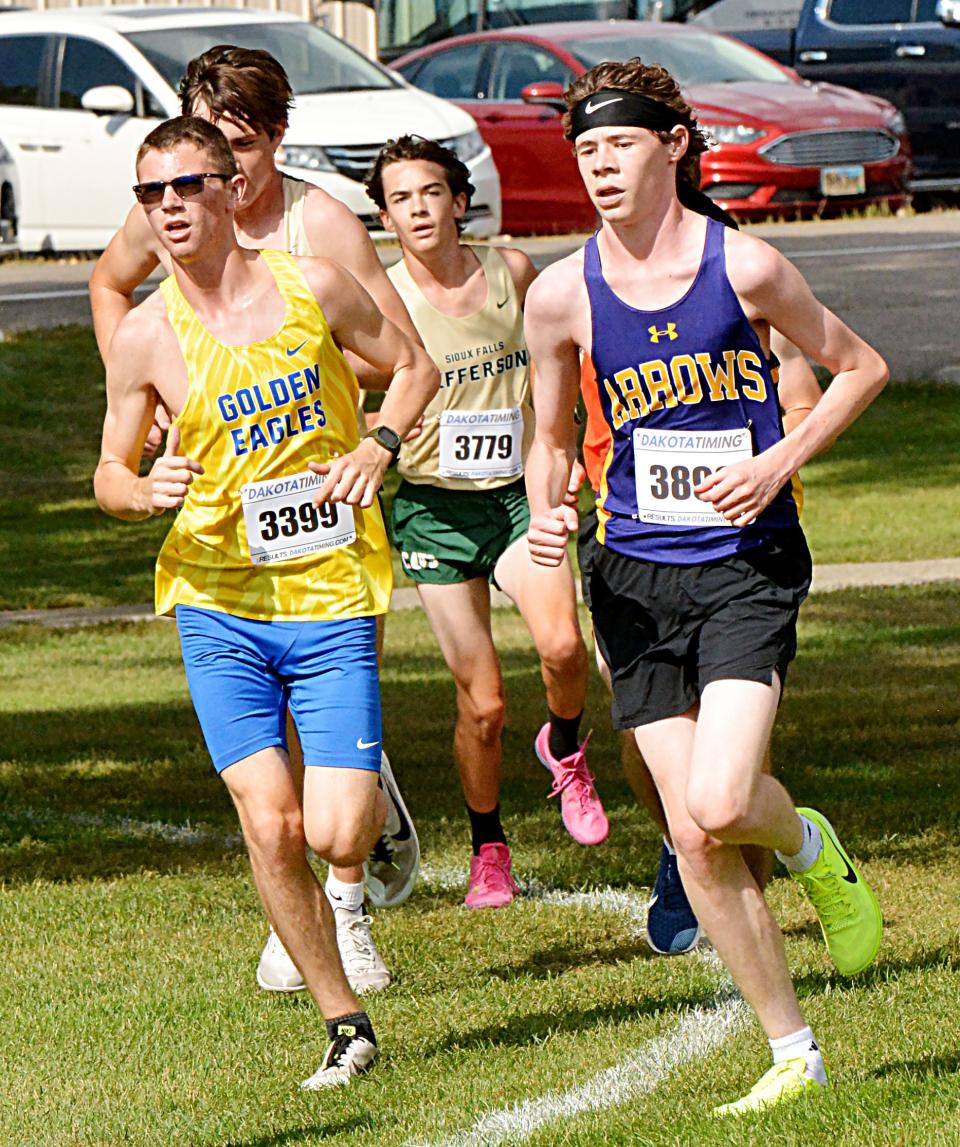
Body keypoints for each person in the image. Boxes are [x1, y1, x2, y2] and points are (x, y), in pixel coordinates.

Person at [523, 59, 886, 1114]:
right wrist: (550, 507)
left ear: (673, 146)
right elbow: (550, 444)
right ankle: (793, 1052)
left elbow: (861, 367)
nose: (599, 167)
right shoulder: (560, 295)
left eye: (619, 145)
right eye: (584, 151)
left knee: (723, 802)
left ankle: (811, 844)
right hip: (633, 577)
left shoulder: (749, 267)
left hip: (745, 567)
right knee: (689, 832)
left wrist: (780, 460)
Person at [93, 116, 439, 1086]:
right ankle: (344, 1021)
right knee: (269, 823)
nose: (167, 207)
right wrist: (143, 492)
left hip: (328, 595)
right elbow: (109, 474)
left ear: (228, 191)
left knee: (332, 830)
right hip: (217, 604)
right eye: (149, 193)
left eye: (187, 186)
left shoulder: (312, 286)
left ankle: (370, 806)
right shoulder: (147, 336)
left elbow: (414, 368)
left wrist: (378, 444)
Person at [365, 135, 608, 909]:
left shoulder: (513, 272)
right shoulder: (382, 296)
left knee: (566, 648)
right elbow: (349, 385)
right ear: (385, 217)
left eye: (430, 192)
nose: (417, 209)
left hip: (516, 496)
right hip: (434, 511)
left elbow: (557, 374)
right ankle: (488, 847)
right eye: (400, 198)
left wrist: (561, 452)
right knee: (485, 703)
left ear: (459, 201)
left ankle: (565, 751)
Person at [580, 329, 825, 956]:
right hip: (632, 556)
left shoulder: (741, 282)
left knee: (736, 760)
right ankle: (678, 846)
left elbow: (803, 393)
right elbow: (549, 429)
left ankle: (748, 907)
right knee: (643, 734)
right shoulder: (587, 298)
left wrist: (774, 459)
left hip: (741, 549)